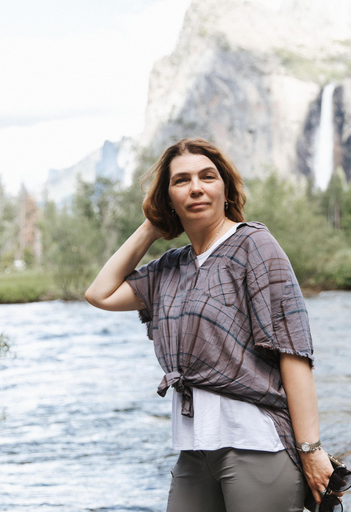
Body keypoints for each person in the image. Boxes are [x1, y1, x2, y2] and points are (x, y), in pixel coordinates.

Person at [85, 138, 336, 512]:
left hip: (256, 444)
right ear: (168, 198)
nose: (196, 188)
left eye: (207, 176)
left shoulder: (254, 245)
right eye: (181, 180)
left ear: (226, 189)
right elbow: (100, 293)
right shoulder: (171, 267)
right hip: (194, 449)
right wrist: (151, 227)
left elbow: (293, 351)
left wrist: (311, 449)